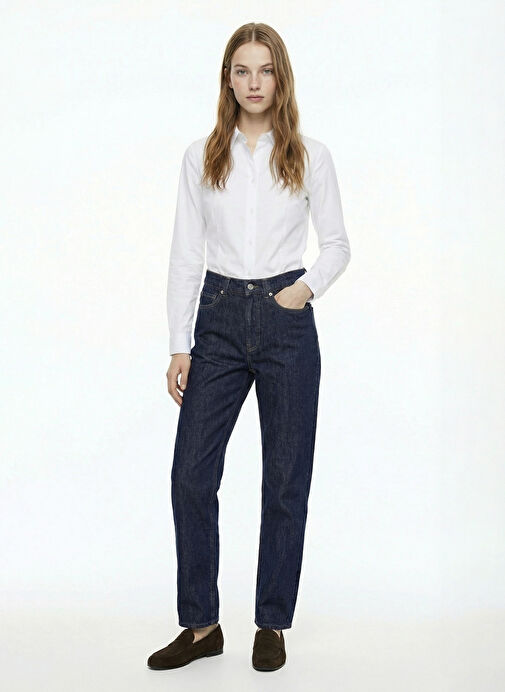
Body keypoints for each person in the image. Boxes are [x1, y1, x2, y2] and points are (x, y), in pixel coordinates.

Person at [147, 21, 350, 673]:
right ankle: (202, 625)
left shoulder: (309, 154)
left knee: (285, 478)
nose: (254, 82)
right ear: (227, 80)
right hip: (218, 317)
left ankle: (272, 623)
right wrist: (179, 343)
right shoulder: (202, 155)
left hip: (286, 318)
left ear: (279, 78)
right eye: (242, 70)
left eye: (265, 70)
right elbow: (186, 253)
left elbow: (337, 244)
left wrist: (302, 290)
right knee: (191, 475)